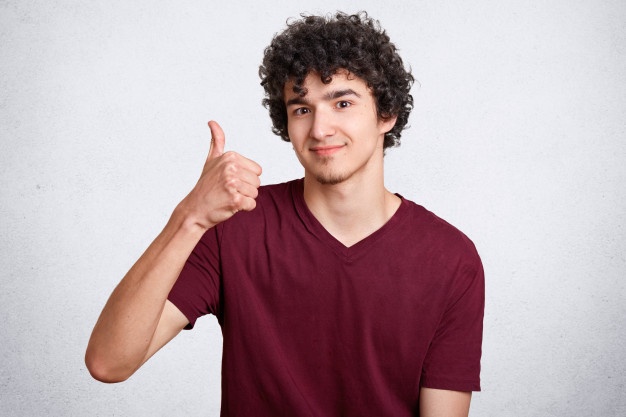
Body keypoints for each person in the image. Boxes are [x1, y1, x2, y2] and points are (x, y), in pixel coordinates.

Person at [86, 11, 484, 417]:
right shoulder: (234, 229)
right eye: (301, 109)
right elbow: (108, 362)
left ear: (386, 114)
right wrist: (190, 216)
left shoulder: (451, 259)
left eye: (342, 103)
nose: (320, 129)